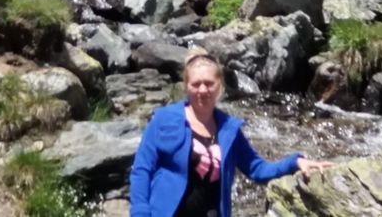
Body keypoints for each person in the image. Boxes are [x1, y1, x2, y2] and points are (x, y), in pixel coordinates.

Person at [130, 50, 333, 217]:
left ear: (220, 85)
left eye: (209, 83)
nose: (203, 90)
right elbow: (141, 170)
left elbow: (257, 169)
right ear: (186, 86)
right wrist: (140, 213)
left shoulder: (229, 129)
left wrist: (295, 162)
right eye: (196, 84)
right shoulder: (164, 119)